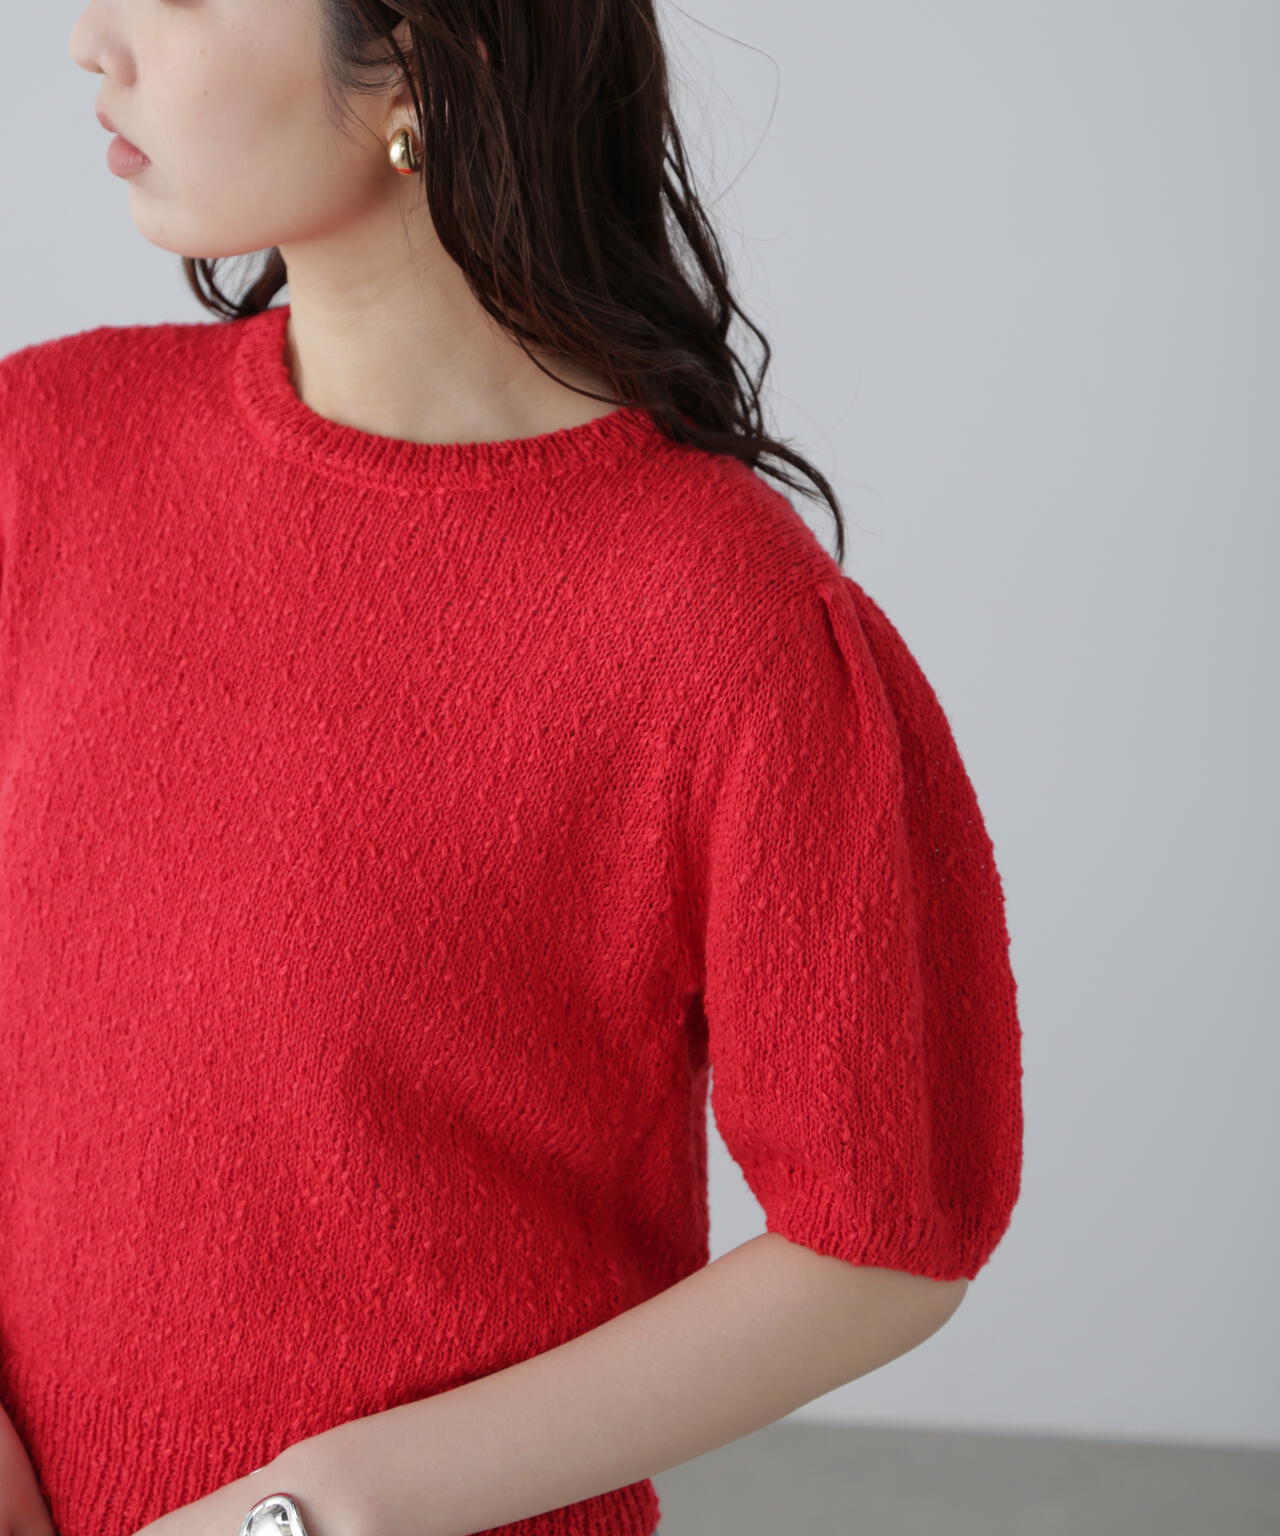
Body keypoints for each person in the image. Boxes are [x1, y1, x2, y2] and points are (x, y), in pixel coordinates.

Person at [0, 5, 1024, 1536]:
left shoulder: (726, 622)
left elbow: (888, 1234)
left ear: (427, 54)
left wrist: (323, 1510)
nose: (95, 39)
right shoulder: (45, 450)